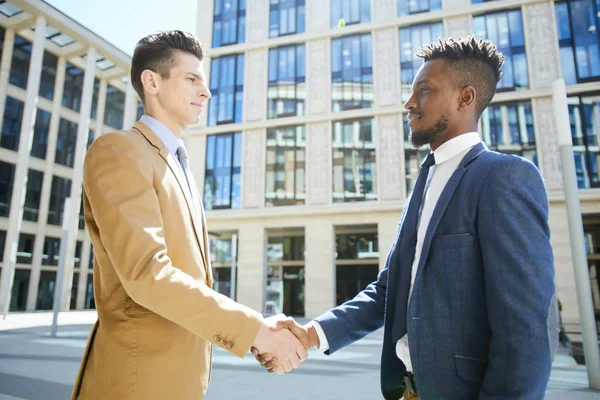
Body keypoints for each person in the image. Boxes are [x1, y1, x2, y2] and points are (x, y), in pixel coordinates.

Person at [254, 36, 558, 400]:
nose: (409, 103)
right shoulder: (423, 185)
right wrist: (311, 334)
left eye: (424, 91)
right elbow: (390, 290)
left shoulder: (504, 177)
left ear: (465, 98)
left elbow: (525, 327)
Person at [70, 30, 305, 400]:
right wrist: (257, 332)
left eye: (204, 82)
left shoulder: (179, 167)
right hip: (136, 384)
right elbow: (149, 274)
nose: (206, 92)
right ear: (152, 82)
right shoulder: (119, 151)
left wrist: (259, 331)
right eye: (192, 79)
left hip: (180, 382)